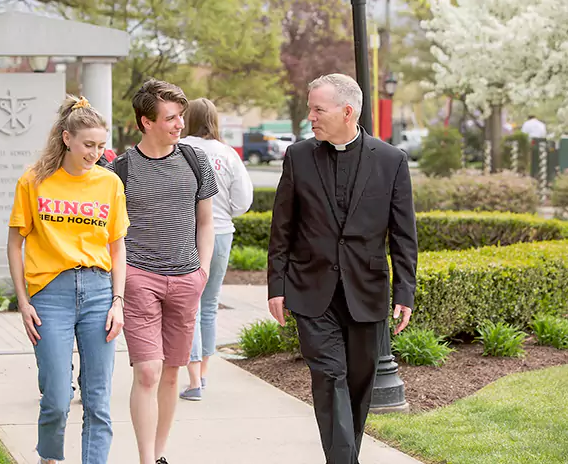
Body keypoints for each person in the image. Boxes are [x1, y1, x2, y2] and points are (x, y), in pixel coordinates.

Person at [267, 74, 418, 464]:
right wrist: (276, 284)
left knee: (357, 386)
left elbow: (404, 235)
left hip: (367, 292)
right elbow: (282, 226)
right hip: (310, 290)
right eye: (310, 108)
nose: (310, 117)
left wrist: (405, 292)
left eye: (318, 109)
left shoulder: (391, 160)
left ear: (347, 111)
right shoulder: (298, 156)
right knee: (329, 377)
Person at [6, 95, 129, 464]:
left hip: (98, 293)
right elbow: (15, 245)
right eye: (88, 145)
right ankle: (49, 457)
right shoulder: (33, 181)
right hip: (49, 296)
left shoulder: (109, 184)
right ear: (66, 138)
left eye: (101, 146)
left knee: (97, 398)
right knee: (57, 398)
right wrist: (23, 302)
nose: (95, 153)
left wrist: (118, 302)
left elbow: (118, 249)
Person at [108, 79, 217, 464]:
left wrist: (202, 272)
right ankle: (143, 459)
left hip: (187, 279)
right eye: (171, 118)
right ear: (146, 121)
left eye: (181, 117)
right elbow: (111, 234)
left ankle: (158, 455)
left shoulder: (194, 160)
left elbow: (206, 222)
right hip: (140, 279)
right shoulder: (119, 169)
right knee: (149, 372)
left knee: (172, 372)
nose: (179, 125)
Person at [178, 98, 253, 401]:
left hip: (184, 233)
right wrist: (226, 212)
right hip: (221, 232)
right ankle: (204, 373)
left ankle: (193, 378)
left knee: (188, 308)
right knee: (209, 305)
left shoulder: (180, 149)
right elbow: (244, 199)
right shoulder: (227, 154)